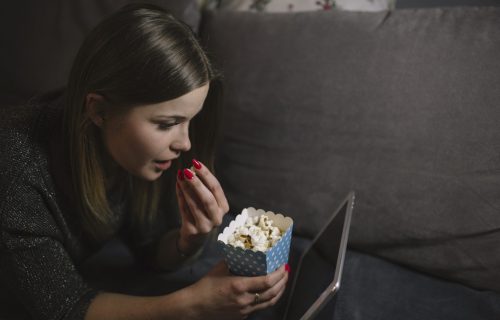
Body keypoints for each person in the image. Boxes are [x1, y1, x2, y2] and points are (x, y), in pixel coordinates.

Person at [0, 3, 288, 320]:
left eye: (189, 121)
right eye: (166, 124)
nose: (185, 143)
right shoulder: (16, 170)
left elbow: (149, 247)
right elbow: (65, 308)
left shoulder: (131, 149)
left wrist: (188, 240)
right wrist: (194, 303)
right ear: (98, 111)